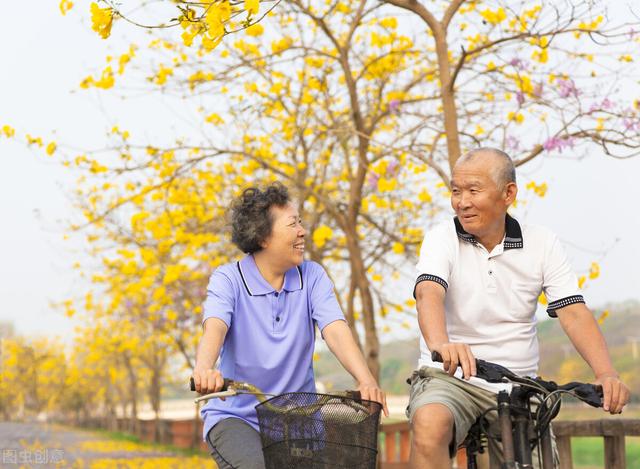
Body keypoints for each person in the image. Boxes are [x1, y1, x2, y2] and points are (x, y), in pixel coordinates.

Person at [407, 148, 630, 469]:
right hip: (450, 376)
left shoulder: (542, 242)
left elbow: (573, 312)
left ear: (508, 193)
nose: (462, 201)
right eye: (456, 191)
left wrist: (606, 373)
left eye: (473, 190)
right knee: (430, 424)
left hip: (518, 384)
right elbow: (429, 292)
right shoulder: (441, 237)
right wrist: (440, 344)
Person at [192, 182, 388, 469]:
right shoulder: (228, 279)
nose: (302, 231)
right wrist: (204, 369)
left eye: (301, 222)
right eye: (293, 224)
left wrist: (366, 379)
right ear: (263, 237)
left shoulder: (312, 276)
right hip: (237, 416)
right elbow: (216, 326)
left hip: (300, 417)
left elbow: (334, 328)